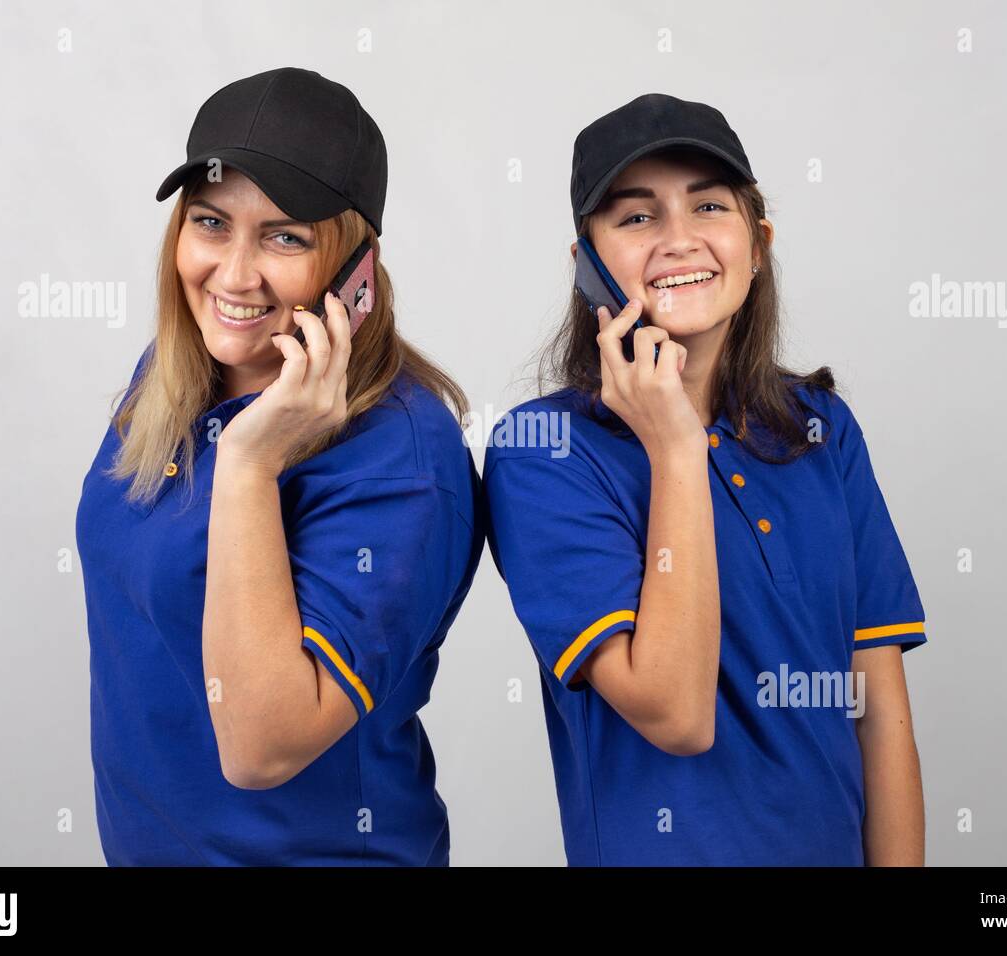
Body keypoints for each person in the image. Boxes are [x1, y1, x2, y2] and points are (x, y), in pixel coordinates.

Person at [483, 93, 929, 866]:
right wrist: (678, 450)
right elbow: (674, 713)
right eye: (636, 218)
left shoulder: (822, 430)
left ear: (756, 245)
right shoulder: (542, 453)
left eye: (709, 207)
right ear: (585, 265)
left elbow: (878, 705)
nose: (679, 241)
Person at [75, 68, 482, 865]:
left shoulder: (403, 454)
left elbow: (261, 750)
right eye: (211, 223)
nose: (234, 274)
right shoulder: (170, 374)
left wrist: (250, 464)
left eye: (285, 236)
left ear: (357, 266)